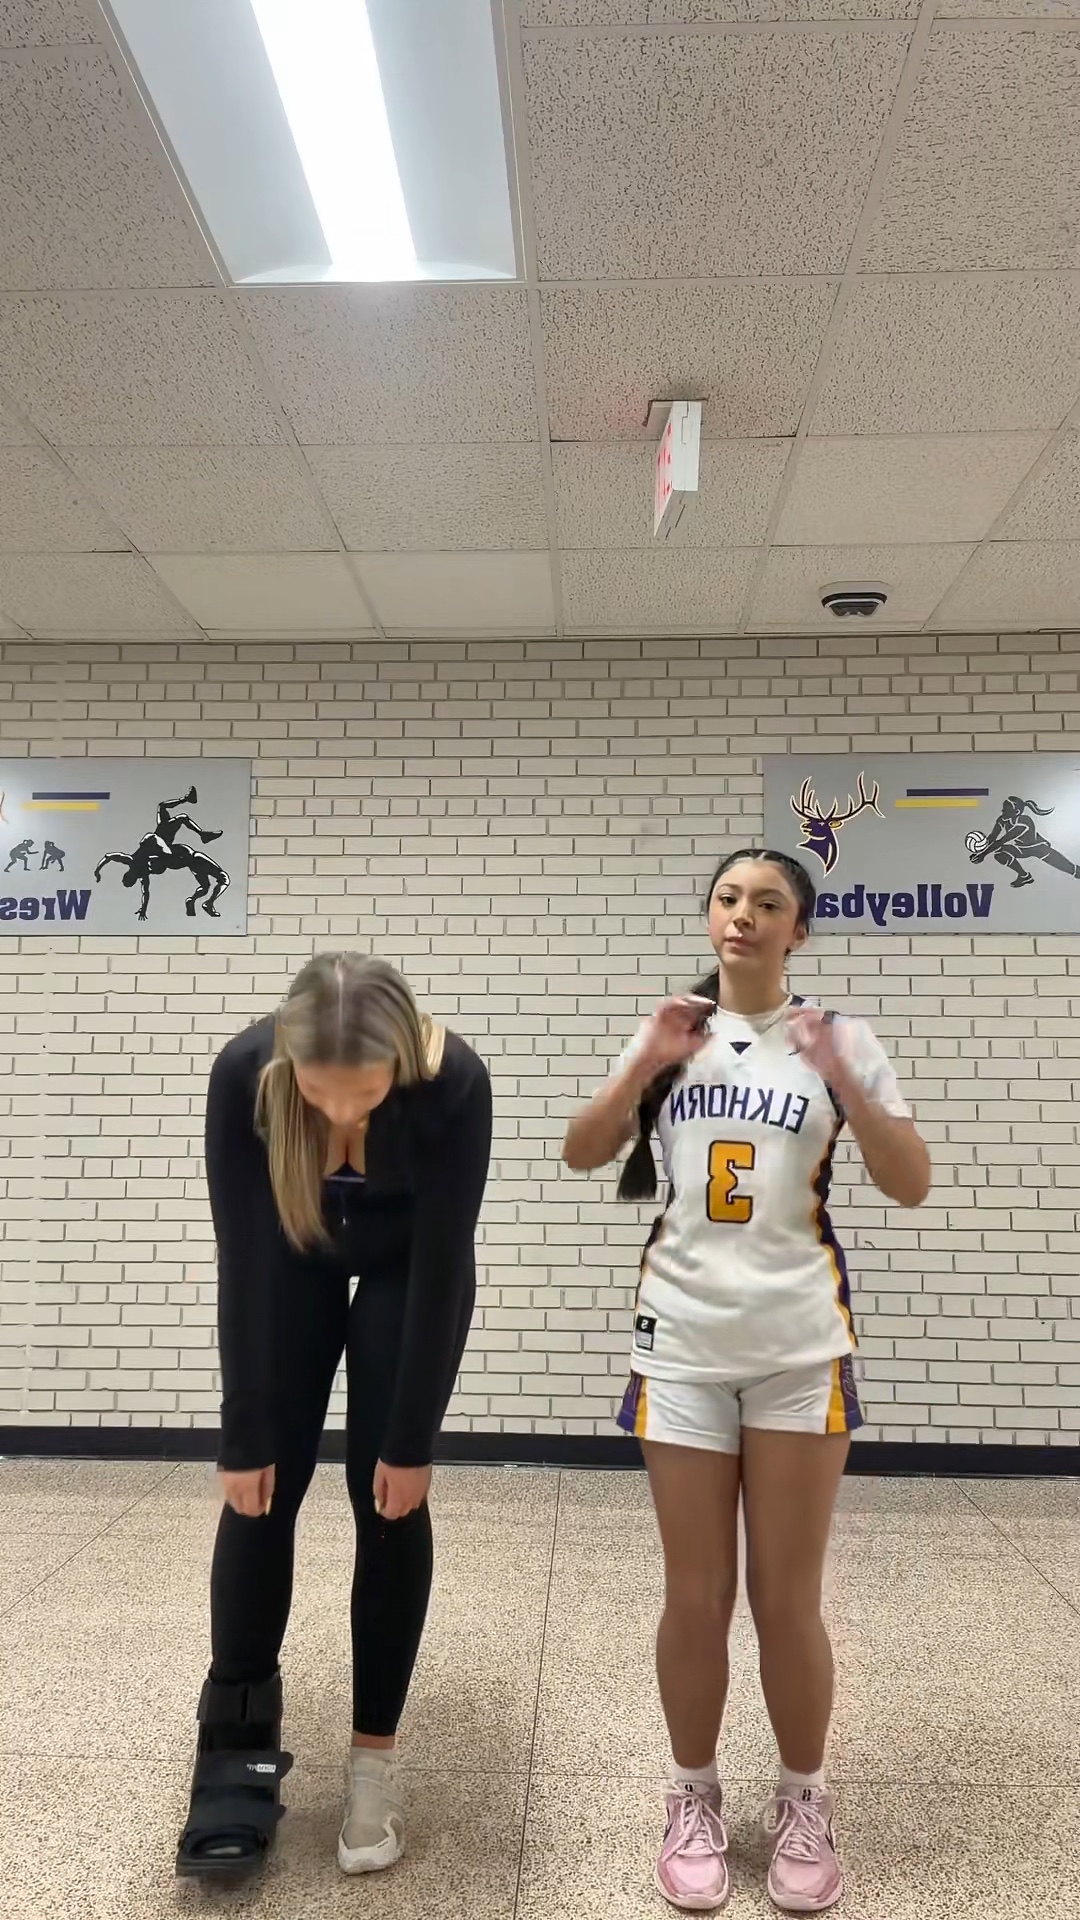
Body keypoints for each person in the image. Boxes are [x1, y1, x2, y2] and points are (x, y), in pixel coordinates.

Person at [563, 851, 929, 1914]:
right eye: (730, 899)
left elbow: (909, 1182)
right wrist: (643, 1062)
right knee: (695, 1594)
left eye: (769, 904)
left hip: (799, 1349)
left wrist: (846, 1079)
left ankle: (805, 1799)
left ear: (798, 931)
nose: (745, 916)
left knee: (786, 1597)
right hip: (680, 1345)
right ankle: (692, 1795)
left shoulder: (842, 1039)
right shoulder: (672, 1033)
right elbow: (583, 1151)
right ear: (710, 917)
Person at [176, 953, 492, 1883]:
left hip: (408, 1269)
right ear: (288, 1065)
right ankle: (234, 1752)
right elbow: (242, 1259)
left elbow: (444, 1266)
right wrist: (242, 1435)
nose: (344, 1115)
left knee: (387, 1498)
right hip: (289, 1254)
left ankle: (371, 1767)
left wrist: (411, 1441)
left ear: (401, 1062)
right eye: (320, 1096)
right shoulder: (245, 1073)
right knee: (259, 1493)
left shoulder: (453, 1083)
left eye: (366, 1095)